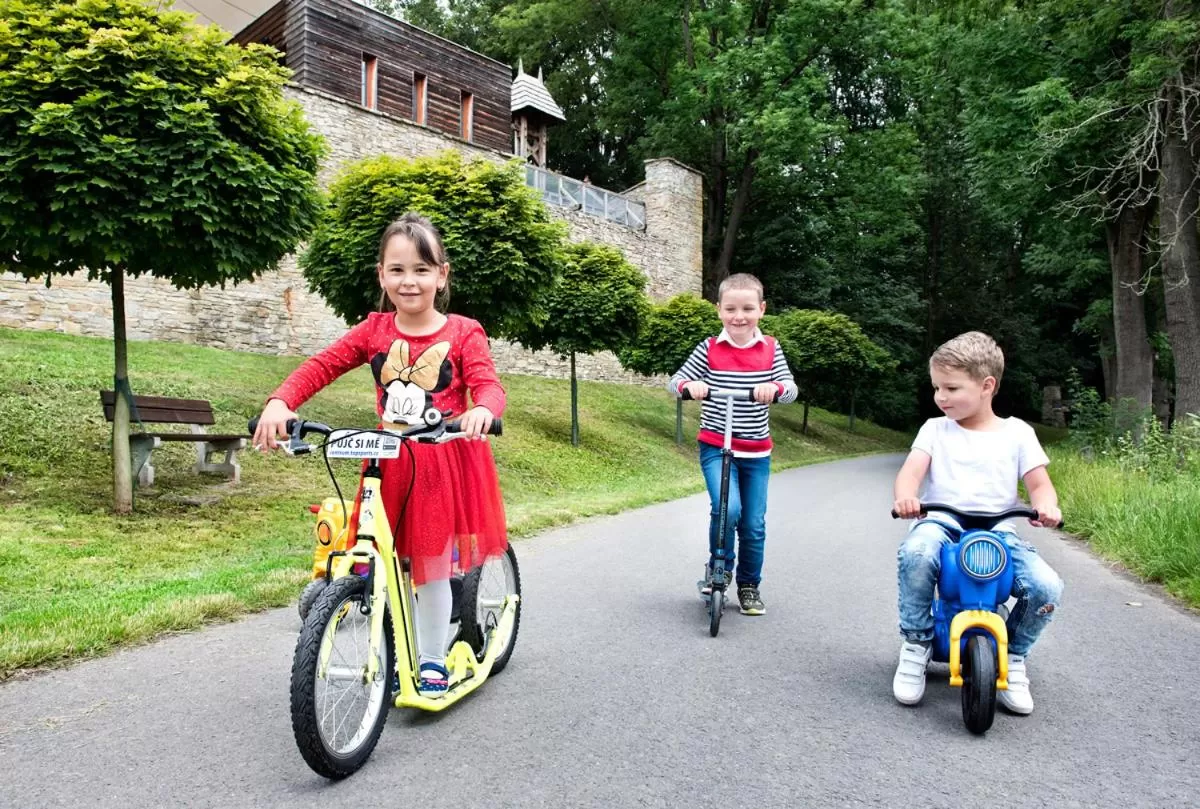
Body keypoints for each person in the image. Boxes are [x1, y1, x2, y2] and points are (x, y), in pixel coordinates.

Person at [253, 212, 507, 696]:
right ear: (381, 275)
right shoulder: (373, 330)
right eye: (397, 270)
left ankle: (431, 659)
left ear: (442, 275)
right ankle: (390, 644)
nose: (408, 281)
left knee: (429, 567)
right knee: (378, 561)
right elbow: (322, 365)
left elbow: (488, 384)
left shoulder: (462, 332)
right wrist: (282, 402)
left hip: (438, 461)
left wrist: (482, 411)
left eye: (421, 269)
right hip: (386, 462)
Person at [891, 331, 1063, 715]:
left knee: (1046, 586)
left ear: (987, 386)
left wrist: (1046, 507)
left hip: (999, 529)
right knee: (917, 554)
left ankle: (1014, 655)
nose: (940, 397)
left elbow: (1040, 484)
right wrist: (907, 497)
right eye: (937, 387)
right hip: (941, 521)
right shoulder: (935, 429)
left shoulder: (1018, 433)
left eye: (951, 387)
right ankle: (916, 644)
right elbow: (910, 473)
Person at [668, 273, 798, 616]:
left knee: (753, 523)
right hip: (715, 444)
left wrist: (777, 390)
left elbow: (790, 386)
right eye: (730, 309)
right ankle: (718, 568)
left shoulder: (770, 348)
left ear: (761, 309)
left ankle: (749, 584)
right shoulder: (709, 348)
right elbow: (675, 381)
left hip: (756, 451)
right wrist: (690, 386)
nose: (739, 316)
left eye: (747, 308)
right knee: (728, 509)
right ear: (719, 310)